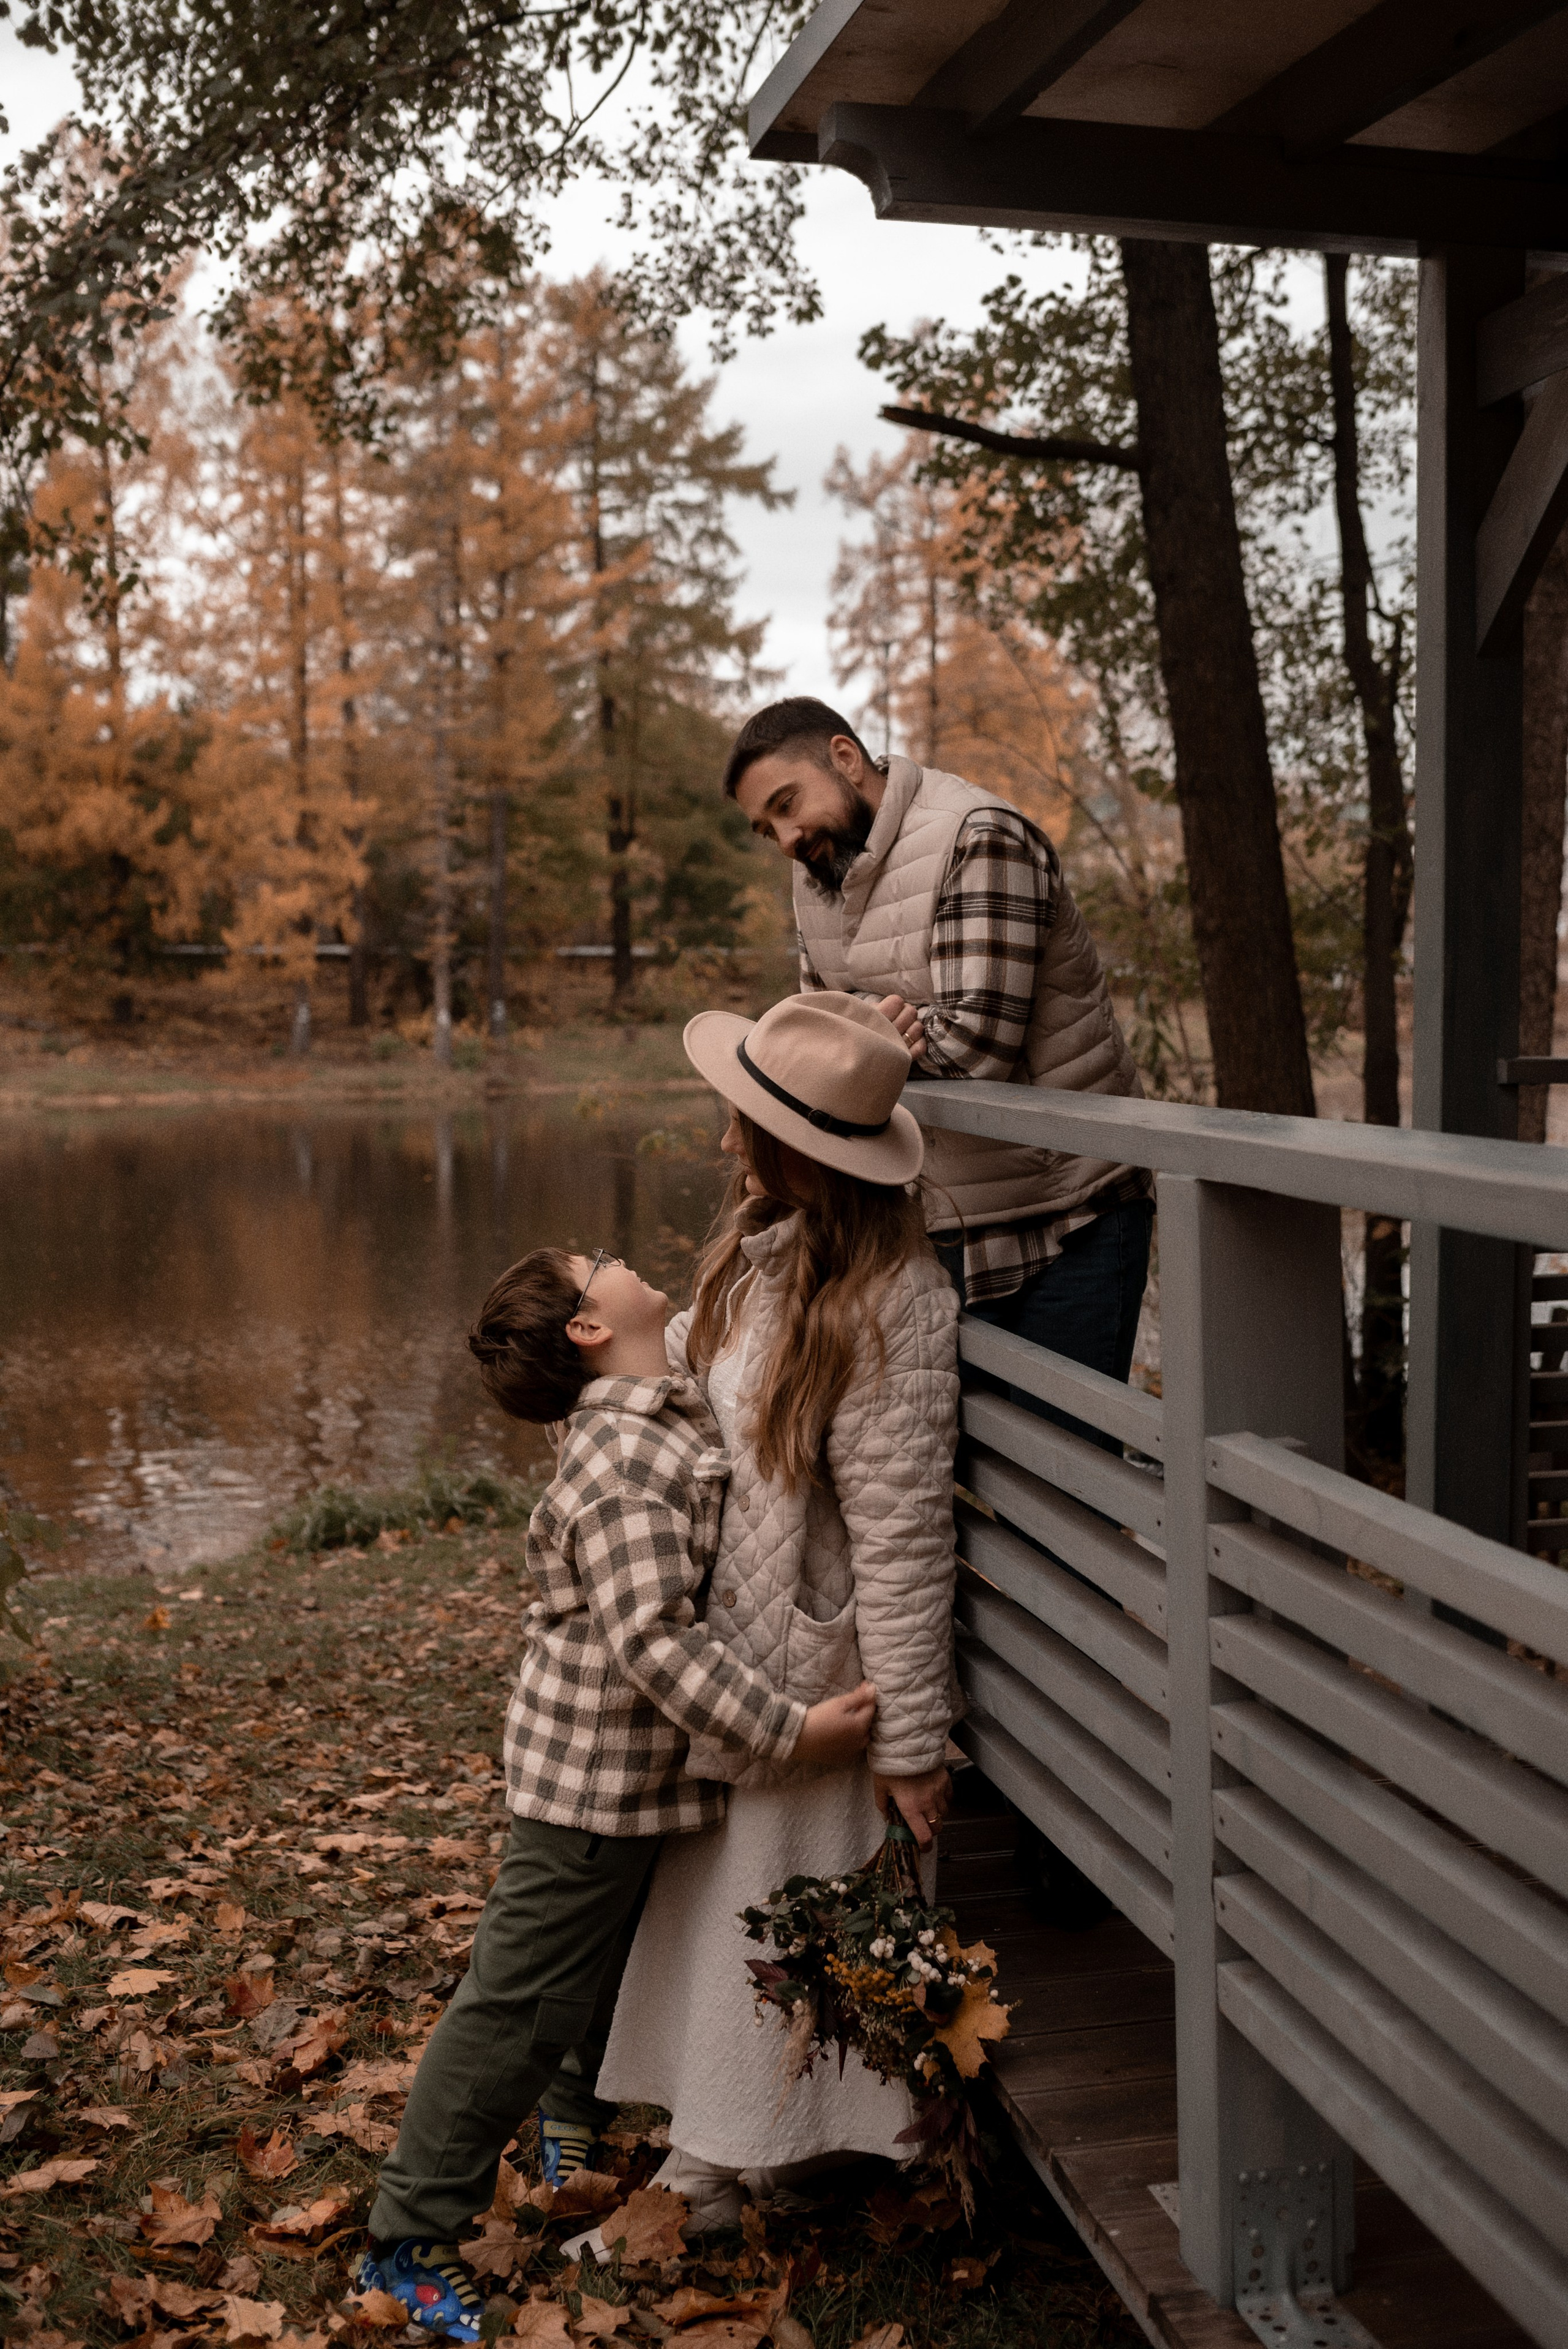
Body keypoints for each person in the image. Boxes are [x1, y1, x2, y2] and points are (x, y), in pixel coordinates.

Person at [357, 1243, 878, 2340]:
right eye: (599, 1265)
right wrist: (794, 1732)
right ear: (591, 1330)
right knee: (517, 2004)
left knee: (596, 1963)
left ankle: (569, 2118)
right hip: (586, 1787)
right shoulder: (617, 1467)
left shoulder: (646, 1410)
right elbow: (655, 1642)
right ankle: (408, 2238)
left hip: (621, 1784)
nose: (624, 1257)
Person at [597, 990, 960, 2229]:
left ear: (803, 1151)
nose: (721, 1138)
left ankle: (721, 2170)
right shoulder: (758, 1255)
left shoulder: (890, 1304)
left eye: (744, 1119)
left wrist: (910, 1738)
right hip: (734, 1655)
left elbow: (904, 1537)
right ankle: (736, 2144)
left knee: (784, 1911)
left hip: (816, 1680)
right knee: (725, 1914)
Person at [723, 697, 1153, 1425]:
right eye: (767, 828)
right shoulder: (818, 875)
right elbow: (824, 1050)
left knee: (1062, 1495)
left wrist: (868, 1041)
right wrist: (869, 1038)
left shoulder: (977, 838)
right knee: (969, 1495)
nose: (787, 838)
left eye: (788, 805)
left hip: (1069, 1217)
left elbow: (976, 1045)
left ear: (846, 758)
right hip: (936, 1217)